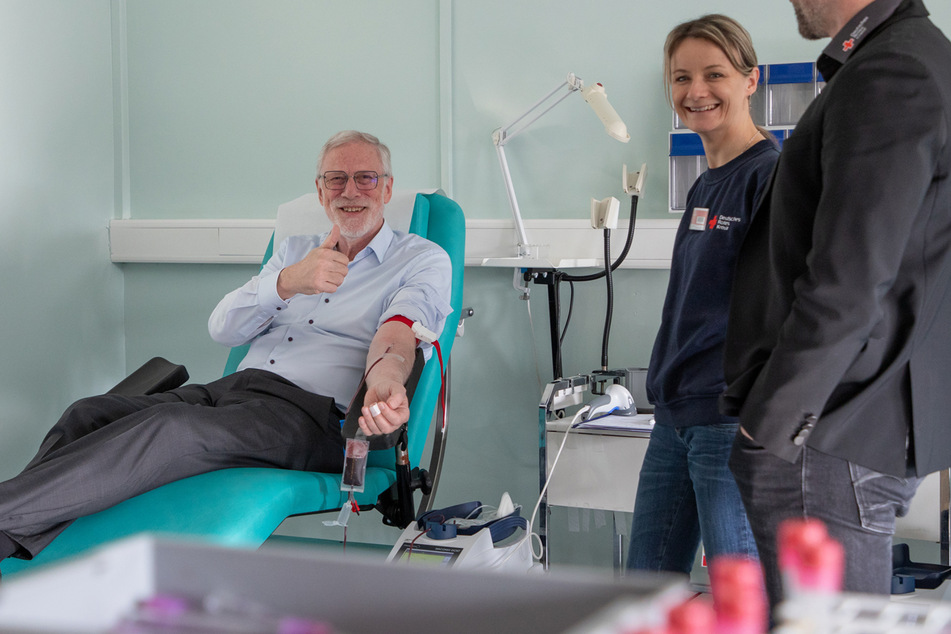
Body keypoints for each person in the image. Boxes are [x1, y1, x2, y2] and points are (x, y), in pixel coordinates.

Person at [0, 130, 453, 572]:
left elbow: (397, 334)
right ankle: (21, 547)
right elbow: (222, 329)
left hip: (311, 417)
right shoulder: (294, 253)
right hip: (232, 392)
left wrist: (387, 380)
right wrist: (288, 282)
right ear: (320, 192)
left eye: (366, 178)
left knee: (171, 429)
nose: (349, 190)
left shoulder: (421, 259)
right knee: (88, 413)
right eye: (336, 178)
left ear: (387, 188)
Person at [722, 0, 951, 611]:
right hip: (863, 425)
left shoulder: (890, 73)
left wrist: (771, 427)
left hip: (829, 433)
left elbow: (848, 281)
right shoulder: (921, 60)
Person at [626, 15, 778, 576]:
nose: (696, 92)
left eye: (714, 74)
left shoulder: (770, 177)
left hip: (729, 421)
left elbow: (784, 310)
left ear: (750, 80)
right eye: (681, 78)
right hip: (674, 417)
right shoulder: (705, 181)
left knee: (737, 598)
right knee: (645, 586)